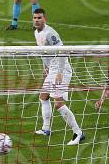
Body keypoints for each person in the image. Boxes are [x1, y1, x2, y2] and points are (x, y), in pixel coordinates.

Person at [33, 8, 85, 145]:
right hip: (52, 69)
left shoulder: (50, 33)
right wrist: (46, 67)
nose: (37, 20)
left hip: (61, 70)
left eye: (39, 18)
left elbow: (62, 52)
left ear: (45, 19)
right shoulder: (36, 33)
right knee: (43, 96)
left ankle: (78, 133)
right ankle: (46, 129)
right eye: (35, 18)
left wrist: (60, 72)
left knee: (58, 103)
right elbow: (44, 52)